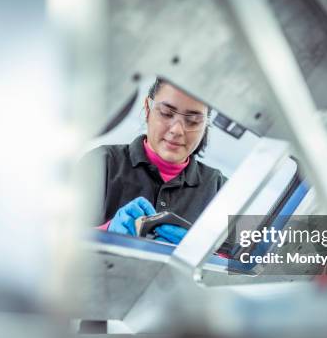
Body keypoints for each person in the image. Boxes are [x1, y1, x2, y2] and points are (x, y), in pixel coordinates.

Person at [88, 78, 227, 244]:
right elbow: (55, 237)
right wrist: (106, 231)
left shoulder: (222, 189)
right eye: (166, 113)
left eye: (193, 121)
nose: (176, 130)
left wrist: (203, 249)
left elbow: (250, 260)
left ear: (205, 124)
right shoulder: (100, 162)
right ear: (148, 108)